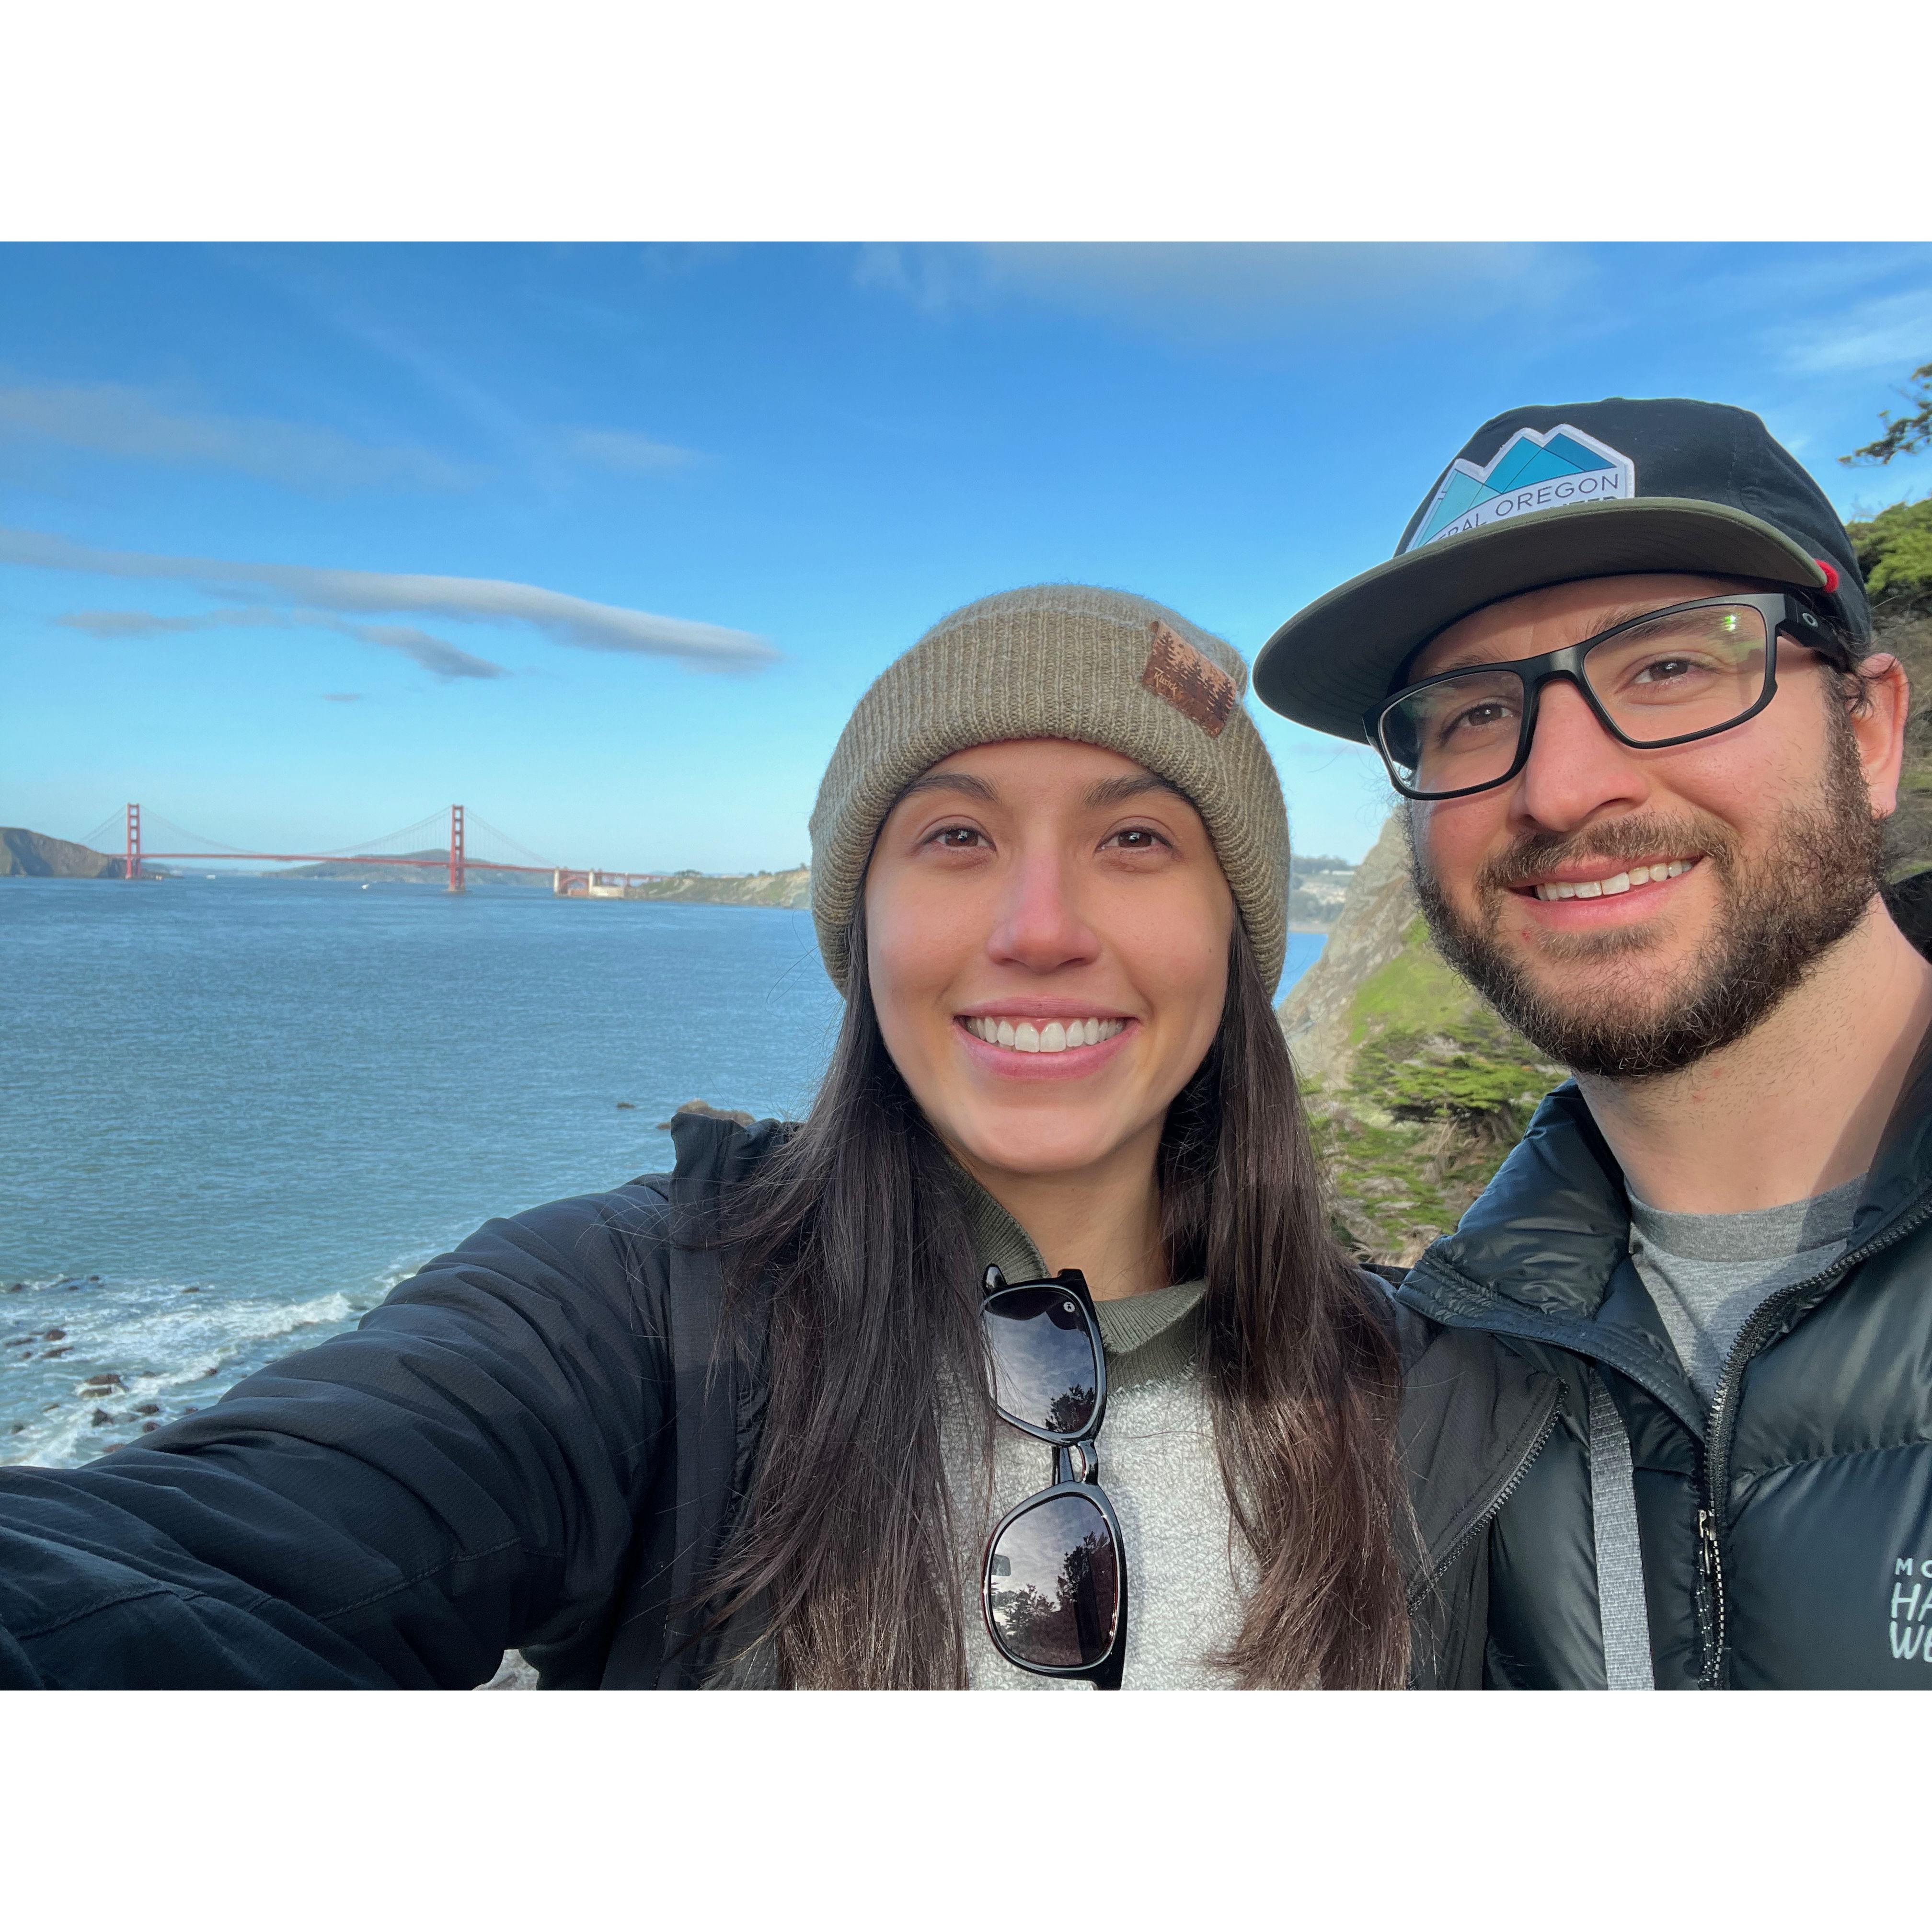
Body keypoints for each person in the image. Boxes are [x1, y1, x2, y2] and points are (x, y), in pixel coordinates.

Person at [0, 583, 1548, 1690]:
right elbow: (190, 1560)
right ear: (859, 929)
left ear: (1238, 933)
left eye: (1136, 837)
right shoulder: (637, 1319)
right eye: (955, 836)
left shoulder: (1440, 1406)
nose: (1039, 927)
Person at [1254, 396, 1932, 1689]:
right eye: (1469, 712)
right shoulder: (1421, 1398)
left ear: (1869, 730)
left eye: (1668, 667)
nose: (1559, 789)